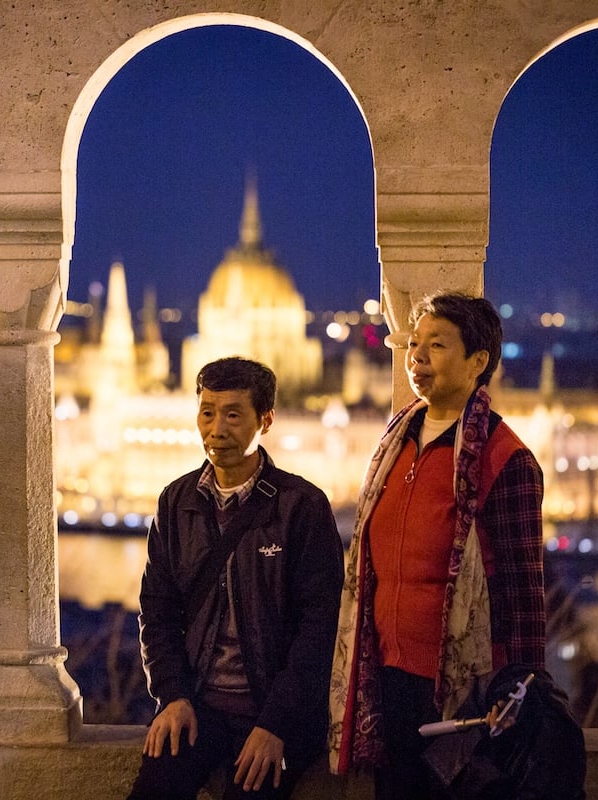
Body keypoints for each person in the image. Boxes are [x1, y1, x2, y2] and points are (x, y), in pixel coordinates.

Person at [328, 292, 547, 800]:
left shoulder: (503, 457)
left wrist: (519, 693)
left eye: (438, 344)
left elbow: (523, 592)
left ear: (478, 362)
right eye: (414, 343)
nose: (417, 356)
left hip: (461, 692)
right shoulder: (397, 439)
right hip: (385, 677)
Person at [128, 356, 345, 800]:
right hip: (198, 706)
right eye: (207, 412)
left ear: (265, 421)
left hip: (275, 713)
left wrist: (277, 724)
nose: (216, 428)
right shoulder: (177, 501)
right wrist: (172, 696)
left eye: (232, 414)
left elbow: (319, 629)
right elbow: (158, 610)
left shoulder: (301, 506)